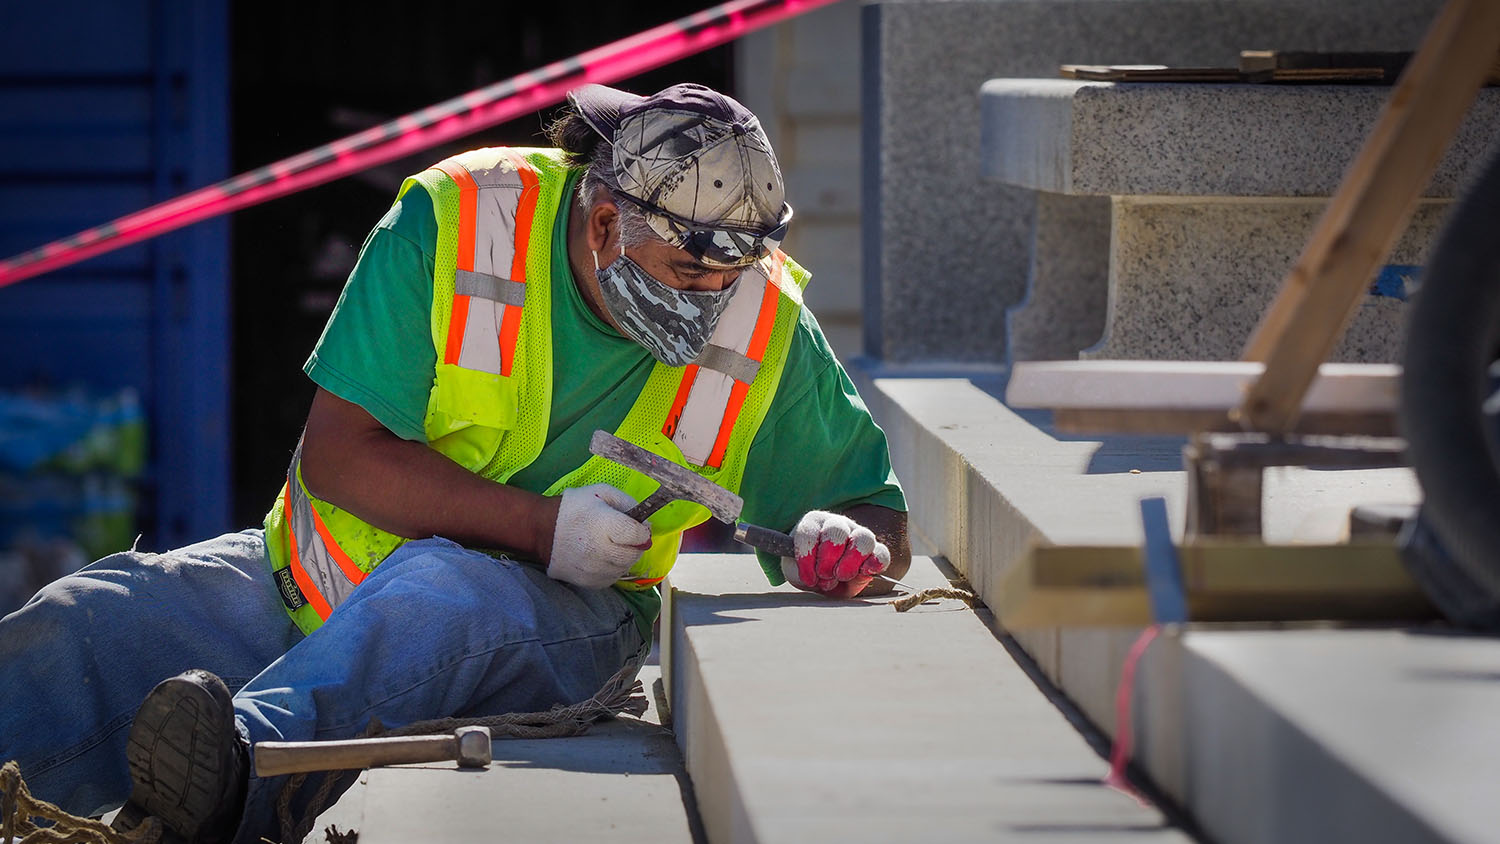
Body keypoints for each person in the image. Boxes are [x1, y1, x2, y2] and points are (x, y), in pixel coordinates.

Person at [0, 81, 908, 843]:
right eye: (685, 273)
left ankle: (237, 776)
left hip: (568, 621)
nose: (713, 305)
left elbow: (883, 524)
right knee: (90, 621)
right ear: (602, 226)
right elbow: (339, 460)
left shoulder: (769, 323)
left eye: (730, 279)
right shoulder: (459, 216)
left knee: (440, 589)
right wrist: (543, 526)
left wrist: (845, 538)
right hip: (306, 585)